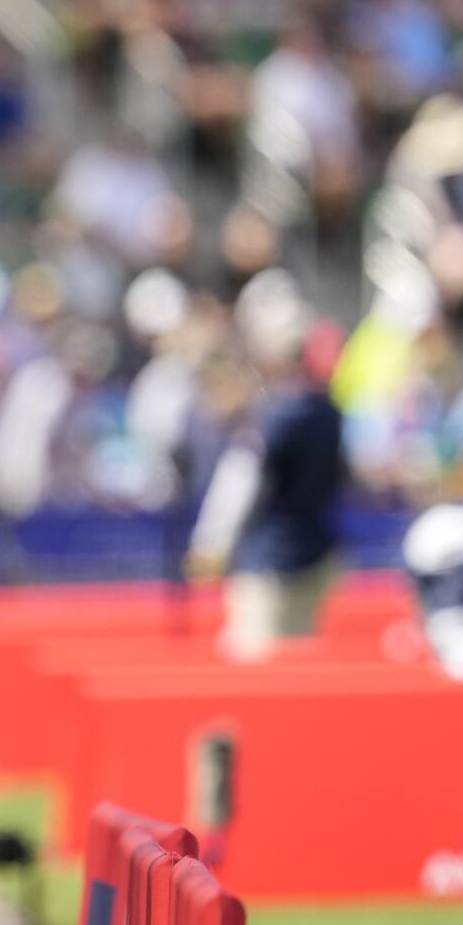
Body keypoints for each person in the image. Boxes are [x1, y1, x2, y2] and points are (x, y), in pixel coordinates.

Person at [188, 275, 347, 659]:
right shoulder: (330, 412)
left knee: (255, 667)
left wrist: (211, 544)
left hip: (270, 562)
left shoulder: (277, 416)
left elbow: (241, 480)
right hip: (317, 555)